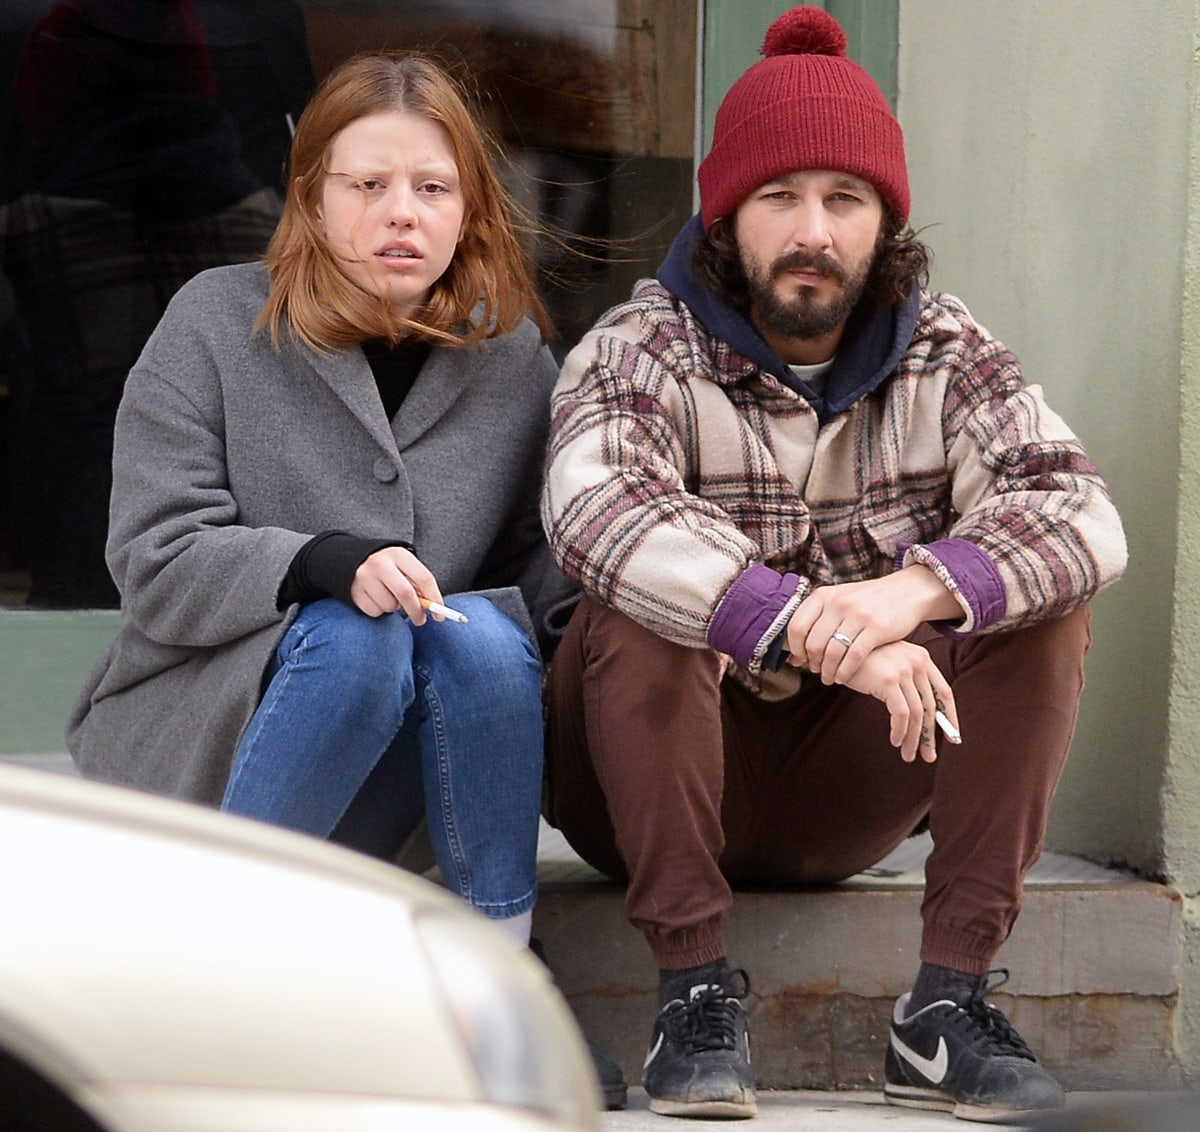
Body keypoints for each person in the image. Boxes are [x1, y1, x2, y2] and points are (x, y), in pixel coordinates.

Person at [541, 6, 1127, 1124]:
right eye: (780, 197)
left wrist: (916, 591)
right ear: (727, 214)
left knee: (1043, 601)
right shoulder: (639, 343)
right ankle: (691, 993)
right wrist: (808, 622)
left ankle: (946, 1006)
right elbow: (596, 509)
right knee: (638, 600)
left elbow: (1081, 510)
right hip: (642, 789)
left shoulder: (948, 349)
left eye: (845, 199)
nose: (813, 229)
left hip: (849, 789)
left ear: (884, 220)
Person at [67, 51, 569, 954]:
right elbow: (154, 559)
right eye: (367, 184)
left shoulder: (513, 362)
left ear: (470, 212)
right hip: (210, 751)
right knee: (353, 636)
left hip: (401, 770)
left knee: (487, 638)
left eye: (432, 187)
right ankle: (235, 953)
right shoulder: (215, 322)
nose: (401, 213)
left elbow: (542, 579)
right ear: (310, 197)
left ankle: (502, 972)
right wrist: (319, 562)